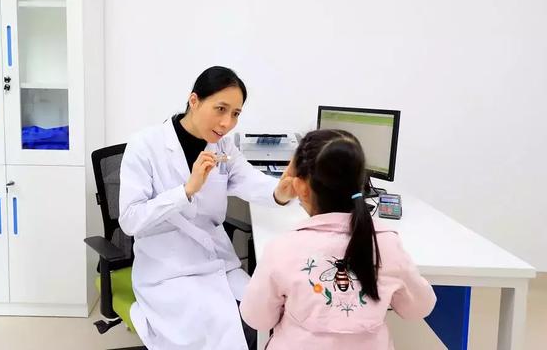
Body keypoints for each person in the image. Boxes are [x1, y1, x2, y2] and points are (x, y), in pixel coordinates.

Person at [119, 66, 297, 349]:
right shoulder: (145, 145)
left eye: (235, 114)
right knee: (228, 332)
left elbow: (249, 179)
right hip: (167, 268)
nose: (227, 123)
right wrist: (186, 191)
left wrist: (279, 192)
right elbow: (130, 219)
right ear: (194, 101)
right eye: (220, 109)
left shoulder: (222, 147)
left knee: (268, 316)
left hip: (215, 261)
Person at [240, 129, 436, 350]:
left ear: (301, 187)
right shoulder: (387, 243)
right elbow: (419, 308)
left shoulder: (282, 248)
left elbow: (257, 318)